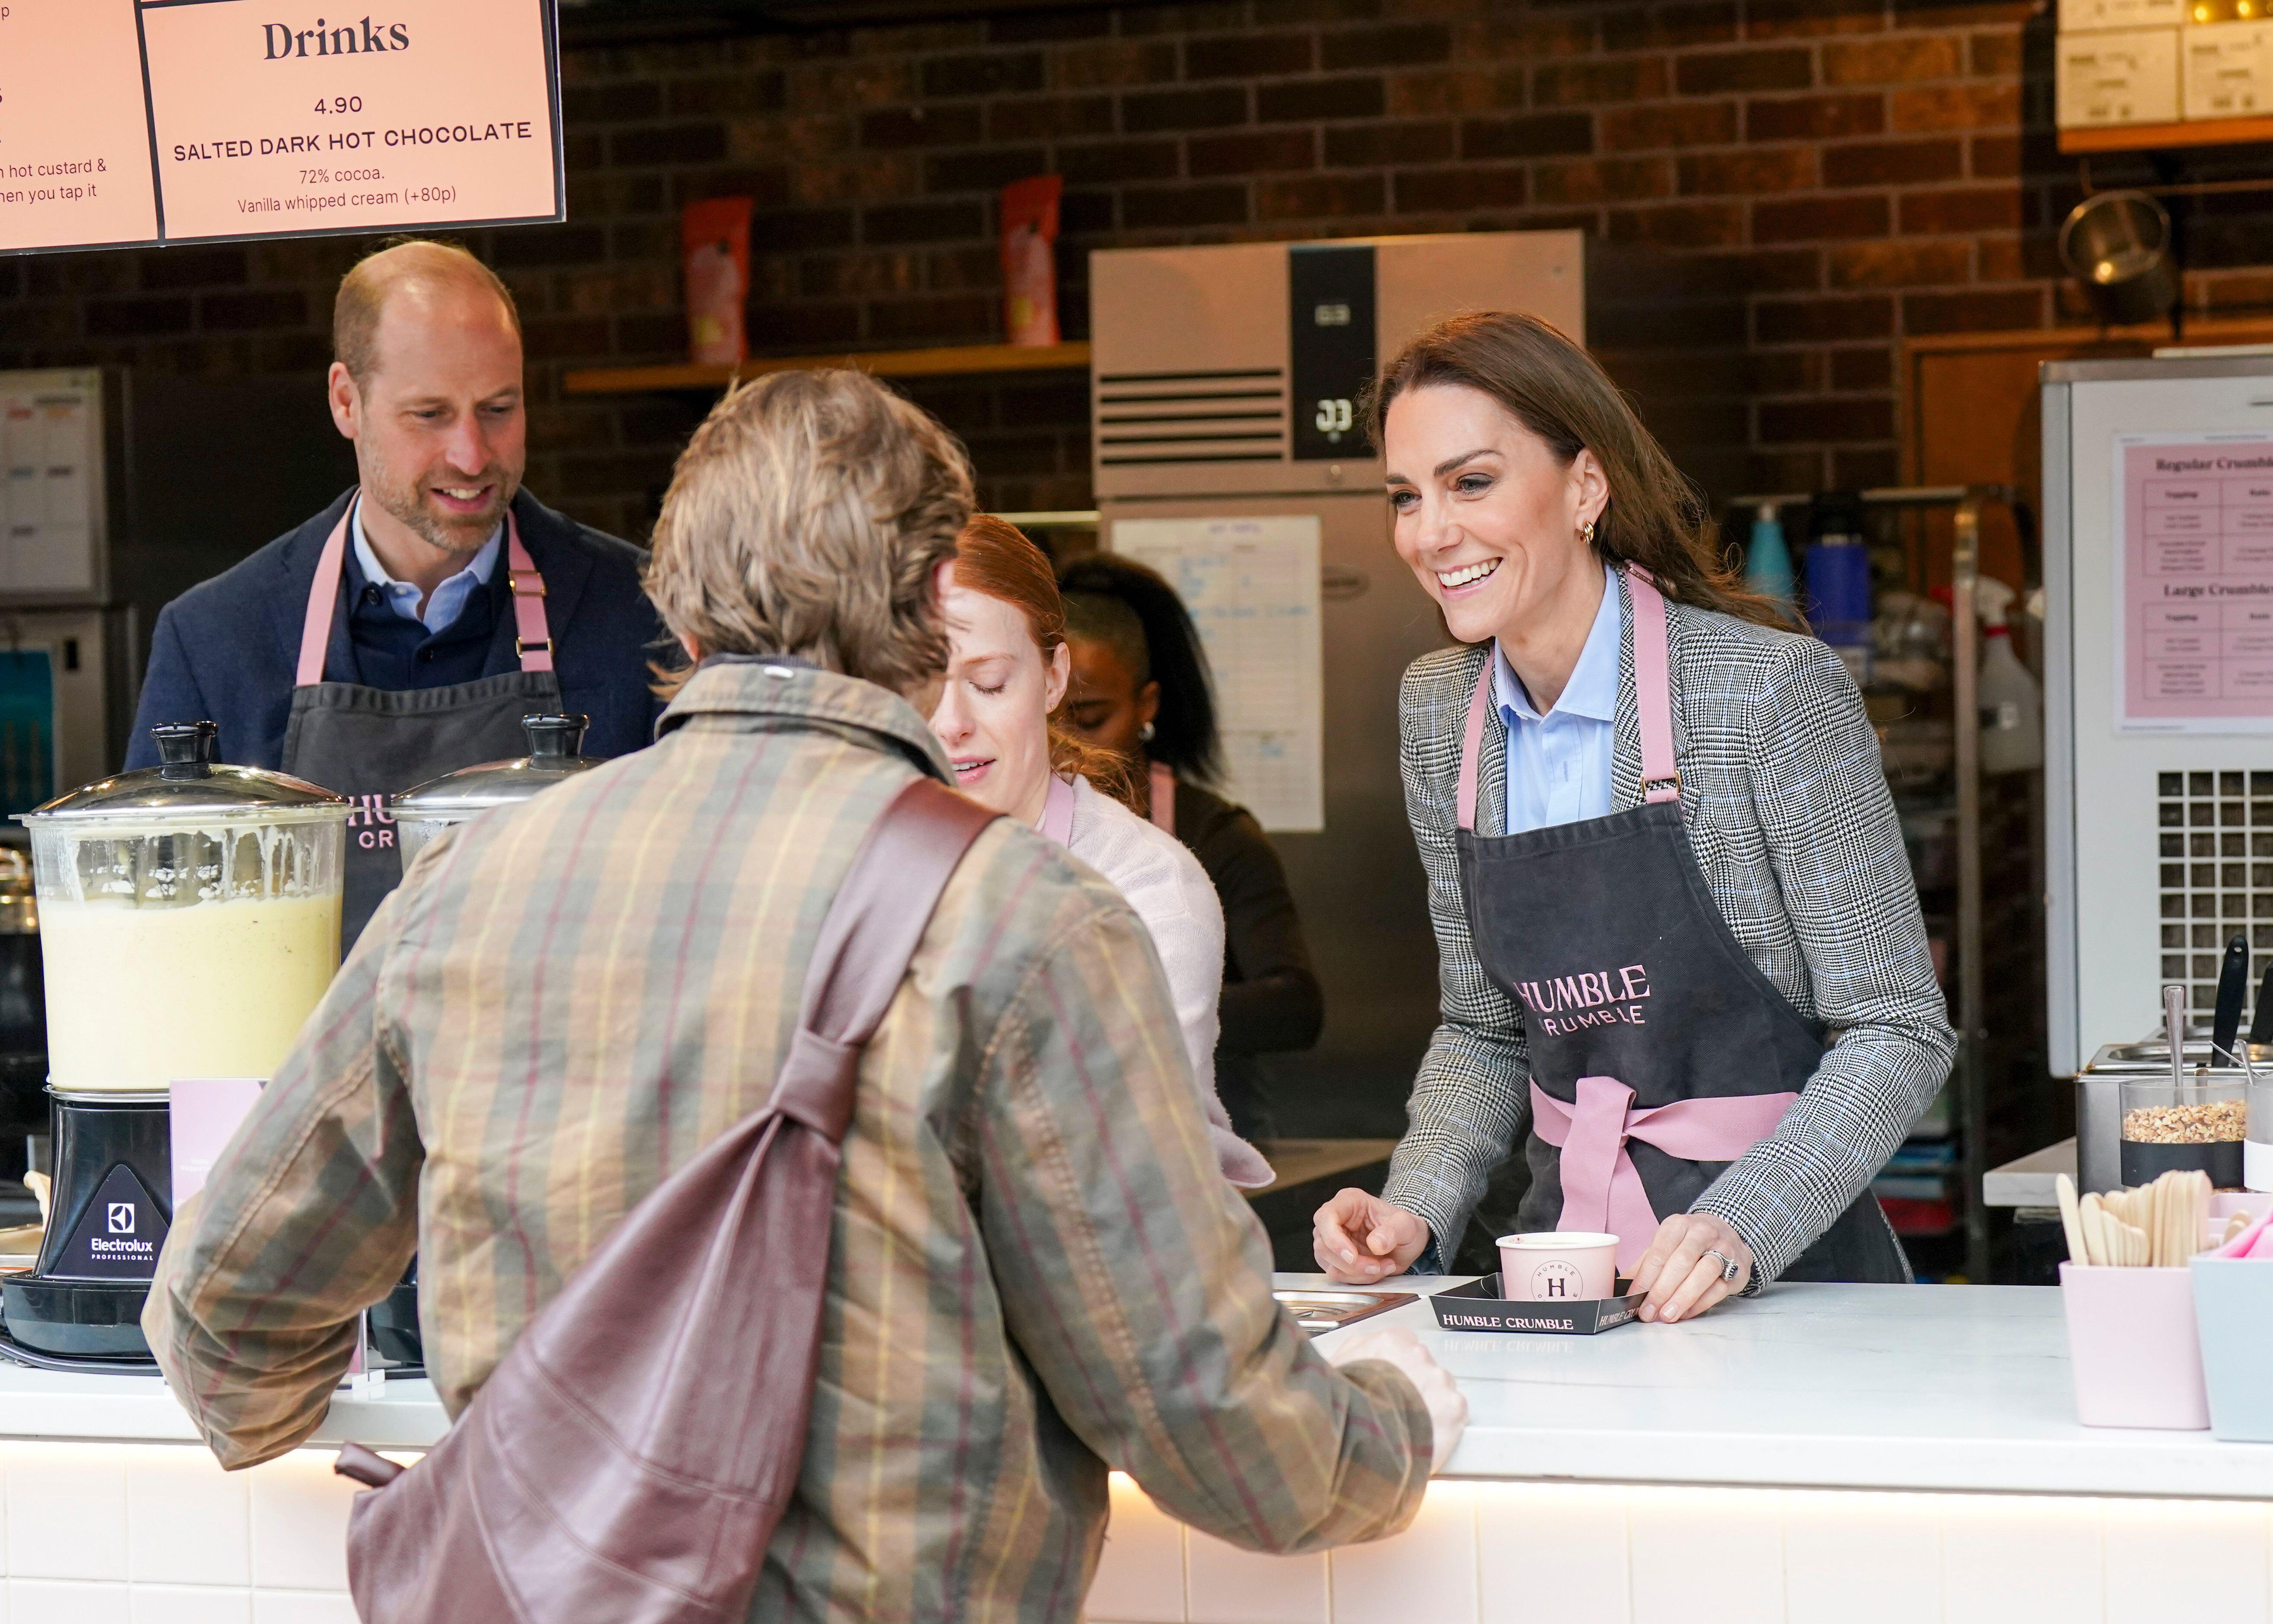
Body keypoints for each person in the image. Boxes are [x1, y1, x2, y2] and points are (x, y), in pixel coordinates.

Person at [143, 368, 1463, 1618]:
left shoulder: (466, 886)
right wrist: (1393, 1420)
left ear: (682, 616)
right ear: (932, 605)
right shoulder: (1023, 917)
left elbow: (220, 1324)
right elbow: (1208, 1424)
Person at [1313, 312, 1954, 1324]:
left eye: (1470, 483)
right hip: (1564, 1267)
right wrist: (1416, 1205)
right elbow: (1484, 1027)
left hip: (1783, 1279)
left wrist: (1742, 1225)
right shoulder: (1440, 712)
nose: (1429, 533)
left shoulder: (1765, 693)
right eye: (1406, 495)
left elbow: (1897, 1026)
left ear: (1585, 487)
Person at [126, 239, 667, 947]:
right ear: (346, 401)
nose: (471, 456)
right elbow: (155, 928)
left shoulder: (644, 612)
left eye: (498, 409)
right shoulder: (215, 638)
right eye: (429, 415)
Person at [932, 516, 1271, 1188]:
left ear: (1054, 677)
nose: (950, 723)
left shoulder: (1148, 891)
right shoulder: (846, 861)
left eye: (989, 682)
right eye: (918, 683)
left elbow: (1131, 1160)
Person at [1057, 553, 1325, 1142]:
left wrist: (1125, 1007)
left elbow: (1296, 1007)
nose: (1069, 744)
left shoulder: (1215, 836)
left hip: (1202, 1146)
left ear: (1146, 705)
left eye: (1091, 718)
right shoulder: (1014, 826)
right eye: (1049, 719)